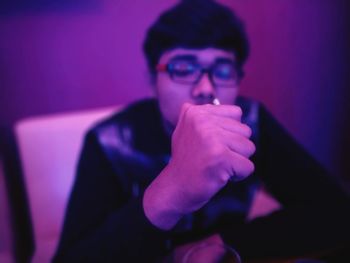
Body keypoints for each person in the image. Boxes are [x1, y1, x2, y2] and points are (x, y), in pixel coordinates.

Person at [52, 0, 350, 262]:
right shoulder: (109, 142)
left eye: (222, 71)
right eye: (182, 68)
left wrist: (220, 243)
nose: (206, 88)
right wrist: (168, 192)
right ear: (152, 80)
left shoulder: (252, 122)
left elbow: (335, 213)